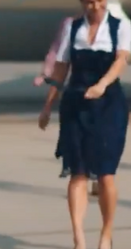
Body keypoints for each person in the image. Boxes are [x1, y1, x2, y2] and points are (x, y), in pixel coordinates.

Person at [38, 0, 131, 249]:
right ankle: (78, 238)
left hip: (108, 105)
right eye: (90, 2)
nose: (95, 7)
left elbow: (121, 60)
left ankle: (106, 231)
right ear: (82, 2)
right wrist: (48, 104)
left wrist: (103, 84)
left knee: (105, 174)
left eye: (100, 1)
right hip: (76, 104)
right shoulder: (72, 27)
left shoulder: (120, 26)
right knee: (77, 172)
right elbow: (62, 66)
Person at [37, 16, 97, 198]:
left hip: (102, 100)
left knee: (100, 143)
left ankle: (98, 180)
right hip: (75, 99)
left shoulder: (112, 31)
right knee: (78, 146)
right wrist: (47, 107)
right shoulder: (72, 29)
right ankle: (81, 183)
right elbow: (60, 73)